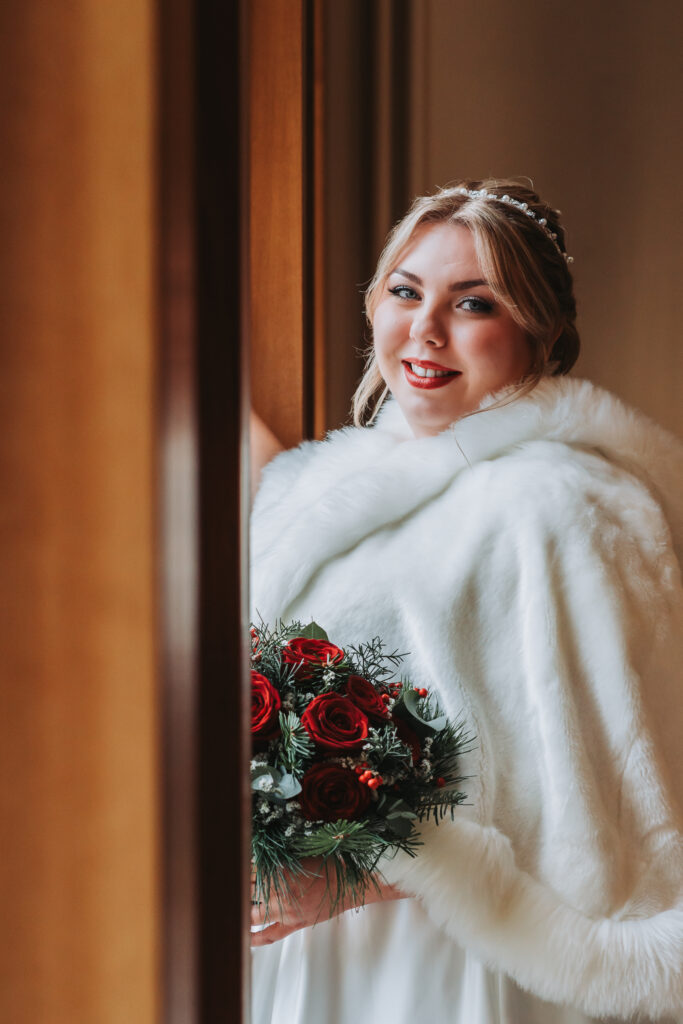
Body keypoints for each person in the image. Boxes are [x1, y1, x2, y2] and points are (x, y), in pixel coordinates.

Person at [249, 179, 683, 1023]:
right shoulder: (322, 487)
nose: (424, 330)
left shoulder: (558, 508)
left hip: (449, 959)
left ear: (536, 330)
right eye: (405, 293)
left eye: (472, 304)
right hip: (304, 940)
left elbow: (575, 811)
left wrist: (351, 874)